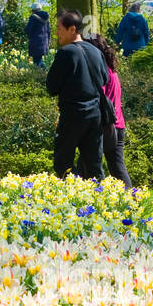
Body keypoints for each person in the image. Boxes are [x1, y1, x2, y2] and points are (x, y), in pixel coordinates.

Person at [46, 10, 108, 180]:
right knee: (94, 165)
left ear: (72, 29)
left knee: (62, 163)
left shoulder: (66, 53)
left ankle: (73, 196)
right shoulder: (96, 52)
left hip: (72, 114)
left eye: (59, 28)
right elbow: (105, 79)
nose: (57, 33)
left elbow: (52, 87)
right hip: (95, 114)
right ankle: (100, 200)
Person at [87, 34, 132, 189]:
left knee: (95, 166)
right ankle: (131, 200)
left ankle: (129, 199)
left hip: (107, 126)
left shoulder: (102, 71)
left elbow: (98, 97)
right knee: (116, 167)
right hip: (118, 124)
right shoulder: (112, 69)